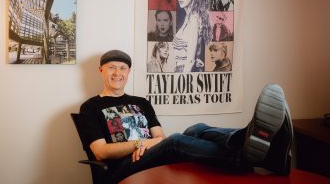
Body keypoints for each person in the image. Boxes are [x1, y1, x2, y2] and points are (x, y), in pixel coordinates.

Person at [79, 49, 294, 183]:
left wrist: (153, 143)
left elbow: (159, 137)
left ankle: (248, 138)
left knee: (196, 129)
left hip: (150, 158)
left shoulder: (141, 102)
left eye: (122, 68)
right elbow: (101, 152)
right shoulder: (91, 107)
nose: (117, 73)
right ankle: (248, 157)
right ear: (101, 71)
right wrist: (141, 143)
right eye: (111, 68)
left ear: (128, 72)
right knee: (176, 142)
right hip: (121, 171)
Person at [173, 0, 211, 72]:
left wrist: (183, 80)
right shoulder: (189, 17)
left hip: (185, 71)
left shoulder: (193, 19)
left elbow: (190, 60)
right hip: (182, 69)